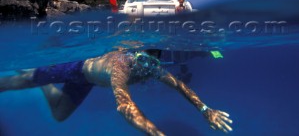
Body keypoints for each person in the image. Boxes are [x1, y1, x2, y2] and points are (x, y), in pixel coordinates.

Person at [0, 49, 232, 135]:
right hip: (74, 68)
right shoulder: (121, 64)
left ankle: (43, 82)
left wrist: (205, 109)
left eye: (152, 62)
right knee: (15, 83)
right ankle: (35, 75)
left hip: (86, 81)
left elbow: (180, 86)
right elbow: (124, 105)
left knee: (60, 115)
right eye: (142, 59)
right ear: (134, 54)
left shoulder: (152, 67)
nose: (146, 66)